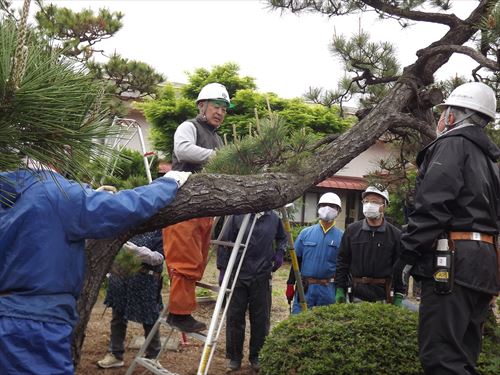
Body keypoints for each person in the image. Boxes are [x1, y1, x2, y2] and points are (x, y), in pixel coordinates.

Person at [0, 161, 190, 374]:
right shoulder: (58, 191)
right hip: (37, 321)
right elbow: (125, 206)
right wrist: (168, 183)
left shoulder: (6, 186)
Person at [393, 82, 499, 375]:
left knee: (441, 358)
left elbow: (432, 206)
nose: (440, 119)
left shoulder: (451, 144)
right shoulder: (491, 161)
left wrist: (407, 253)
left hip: (451, 261)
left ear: (453, 117)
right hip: (484, 264)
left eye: (444, 113)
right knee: (464, 356)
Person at [163, 82, 229, 332]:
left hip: (204, 207)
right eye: (216, 106)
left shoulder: (217, 137)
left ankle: (183, 310)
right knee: (184, 260)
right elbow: (183, 150)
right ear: (202, 105)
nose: (220, 112)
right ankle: (178, 314)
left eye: (224, 108)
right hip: (184, 203)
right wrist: (217, 157)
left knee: (197, 260)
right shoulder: (189, 127)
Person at [217, 211, 287, 372]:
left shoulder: (274, 218)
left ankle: (257, 356)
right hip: (238, 274)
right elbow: (224, 242)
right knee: (235, 317)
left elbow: (282, 238)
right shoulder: (238, 215)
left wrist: (280, 252)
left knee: (260, 319)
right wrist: (222, 268)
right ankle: (235, 357)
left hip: (262, 275)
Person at [97, 230, 164, 369]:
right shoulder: (126, 224)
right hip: (121, 278)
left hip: (146, 281)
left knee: (150, 318)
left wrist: (138, 252)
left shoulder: (159, 229)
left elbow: (160, 257)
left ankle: (153, 356)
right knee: (118, 317)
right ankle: (115, 354)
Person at [335, 186, 402, 304]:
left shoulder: (395, 234)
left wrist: (399, 294)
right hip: (356, 293)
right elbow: (342, 261)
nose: (369, 204)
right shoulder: (352, 230)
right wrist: (340, 288)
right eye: (366, 201)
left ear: (384, 206)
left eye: (375, 202)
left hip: (384, 295)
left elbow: (399, 267)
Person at [285, 192, 344, 313]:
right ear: (318, 209)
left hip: (328, 289)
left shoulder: (343, 237)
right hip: (306, 288)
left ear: (338, 211)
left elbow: (343, 266)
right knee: (299, 323)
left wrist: (341, 289)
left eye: (332, 206)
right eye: (324, 205)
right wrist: (290, 284)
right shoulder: (305, 234)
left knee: (326, 324)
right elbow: (297, 262)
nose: (327, 209)